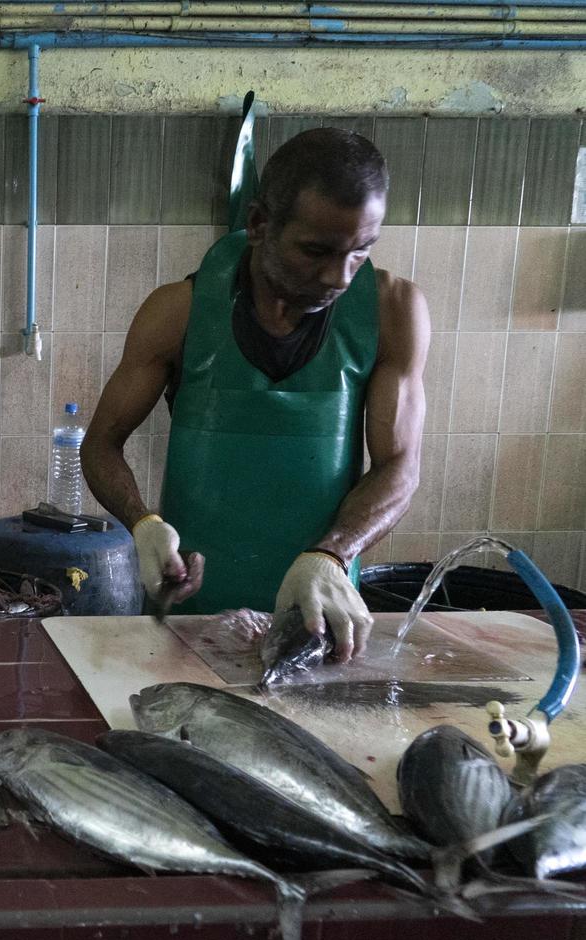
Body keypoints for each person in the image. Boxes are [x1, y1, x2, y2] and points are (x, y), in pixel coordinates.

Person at [81, 127, 429, 660]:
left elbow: (399, 466)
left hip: (319, 612)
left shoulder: (391, 311)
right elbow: (101, 443)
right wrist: (142, 523)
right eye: (316, 251)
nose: (338, 275)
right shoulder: (176, 311)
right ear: (260, 224)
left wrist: (333, 555)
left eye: (360, 251)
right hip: (192, 615)